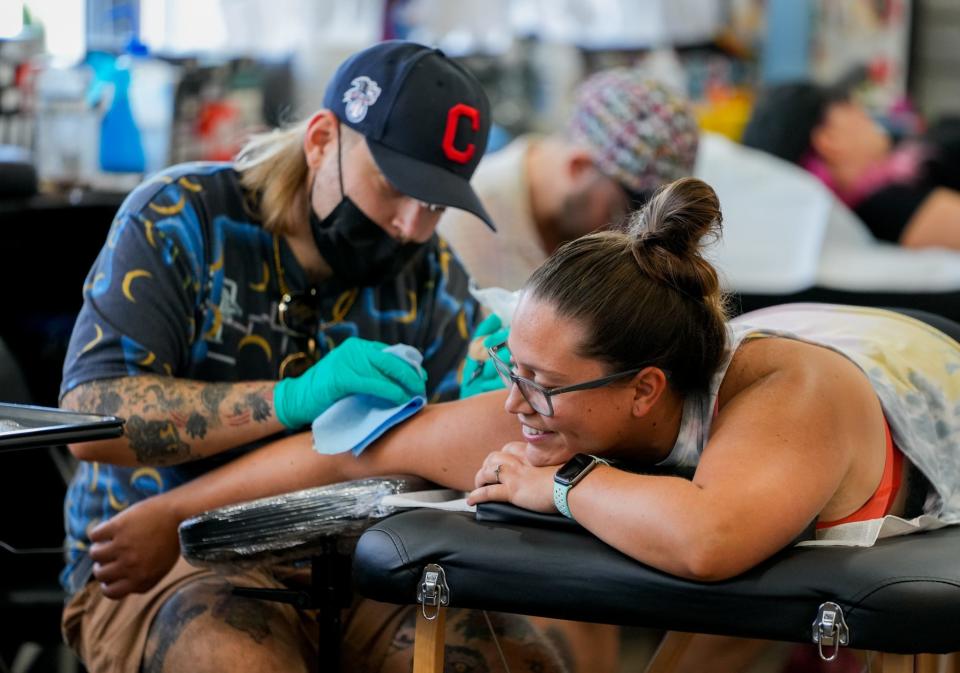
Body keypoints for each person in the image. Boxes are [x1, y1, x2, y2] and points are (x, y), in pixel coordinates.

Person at [83, 178, 960, 671]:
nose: (514, 405)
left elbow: (709, 544)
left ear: (644, 390)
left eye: (539, 384)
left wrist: (565, 482)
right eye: (514, 369)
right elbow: (361, 448)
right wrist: (174, 515)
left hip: (915, 391)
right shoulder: (547, 404)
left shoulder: (787, 400)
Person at [58, 40, 571, 673]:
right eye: (394, 187)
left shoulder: (428, 273)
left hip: (361, 559)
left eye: (437, 204)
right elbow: (91, 422)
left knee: (514, 661)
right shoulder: (180, 218)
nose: (412, 226)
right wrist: (291, 398)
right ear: (323, 140)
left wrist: (497, 396)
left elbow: (462, 440)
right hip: (164, 560)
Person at [438, 68, 700, 290]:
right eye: (623, 213)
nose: (627, 235)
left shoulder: (575, 225)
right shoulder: (461, 227)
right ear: (578, 166)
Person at [742, 80, 960, 250]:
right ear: (829, 140)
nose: (861, 109)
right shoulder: (886, 207)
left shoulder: (884, 194)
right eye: (845, 102)